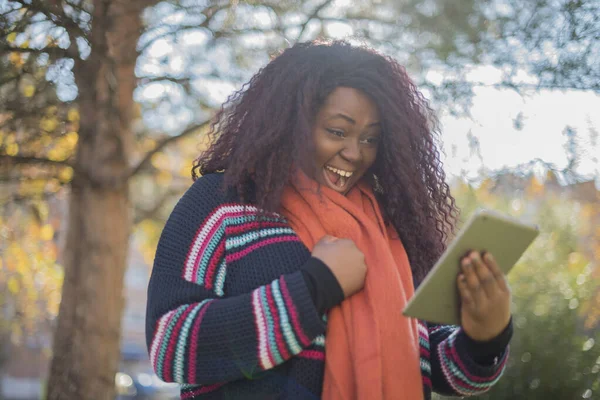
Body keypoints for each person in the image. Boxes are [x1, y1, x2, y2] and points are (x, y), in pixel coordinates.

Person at [145, 40, 513, 400]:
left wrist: (485, 339)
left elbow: (428, 366)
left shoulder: (391, 228)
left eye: (371, 139)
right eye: (337, 131)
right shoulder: (222, 203)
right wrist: (314, 287)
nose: (355, 153)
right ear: (291, 123)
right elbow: (170, 347)